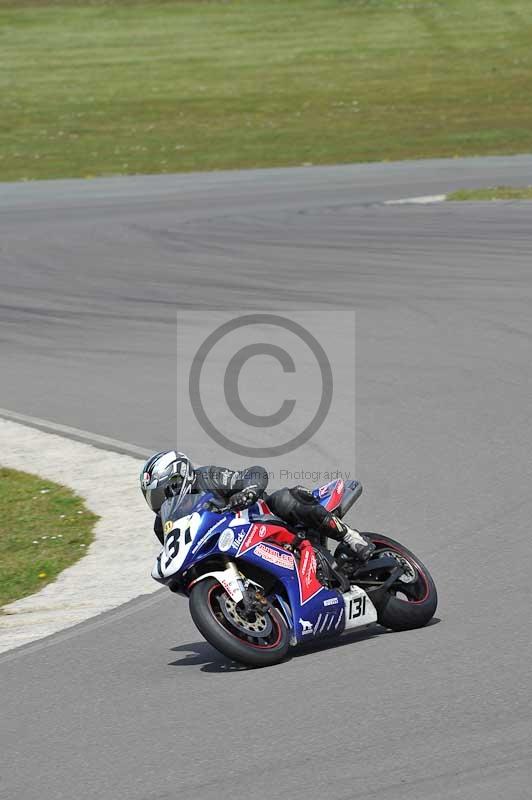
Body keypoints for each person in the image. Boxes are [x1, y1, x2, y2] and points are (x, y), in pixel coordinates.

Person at [140, 450, 375, 561]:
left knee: (283, 498)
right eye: (152, 497)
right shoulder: (163, 525)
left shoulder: (207, 477)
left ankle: (350, 537)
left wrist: (249, 491)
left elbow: (254, 474)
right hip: (225, 550)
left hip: (260, 522)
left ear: (176, 480)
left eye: (159, 494)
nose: (159, 503)